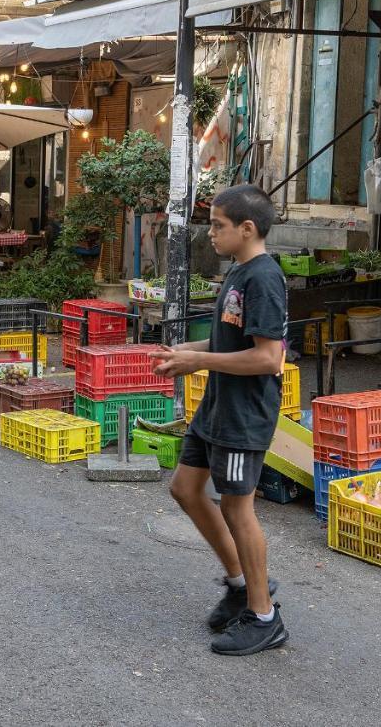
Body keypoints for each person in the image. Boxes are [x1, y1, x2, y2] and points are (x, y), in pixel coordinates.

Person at [153, 184, 289, 656]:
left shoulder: (264, 278)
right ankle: (240, 584)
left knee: (236, 507)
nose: (210, 233)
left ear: (247, 229)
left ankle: (264, 617)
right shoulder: (239, 272)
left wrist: (199, 364)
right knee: (185, 489)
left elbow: (269, 358)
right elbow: (232, 345)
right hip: (217, 406)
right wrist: (185, 352)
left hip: (244, 414)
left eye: (218, 225)